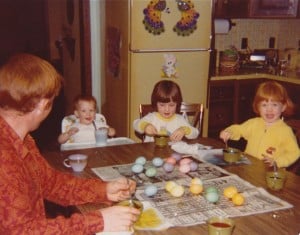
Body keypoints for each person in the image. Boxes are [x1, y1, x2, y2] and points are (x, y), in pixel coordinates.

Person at [0, 53, 140, 234]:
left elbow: (51, 183)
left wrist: (103, 189)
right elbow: (24, 231)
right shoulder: (4, 158)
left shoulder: (22, 139)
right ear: (43, 104)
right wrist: (99, 221)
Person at [219, 81, 300, 168]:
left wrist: (277, 162)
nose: (269, 110)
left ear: (283, 107)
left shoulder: (285, 131)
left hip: (270, 172)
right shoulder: (254, 123)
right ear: (258, 107)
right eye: (264, 105)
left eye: (274, 105)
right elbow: (239, 129)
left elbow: (294, 152)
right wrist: (229, 132)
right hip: (249, 169)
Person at [133, 79, 199, 142]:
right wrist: (145, 126)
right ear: (155, 103)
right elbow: (135, 124)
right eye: (162, 105)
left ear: (177, 104)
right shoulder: (152, 117)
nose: (167, 109)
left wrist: (184, 130)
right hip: (151, 152)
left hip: (173, 152)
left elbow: (195, 133)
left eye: (171, 105)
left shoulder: (180, 119)